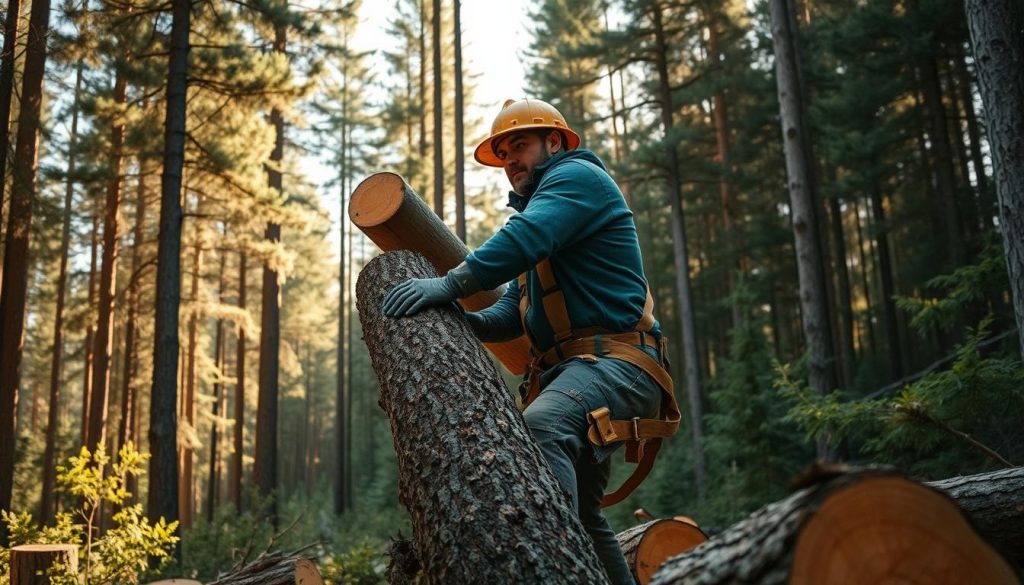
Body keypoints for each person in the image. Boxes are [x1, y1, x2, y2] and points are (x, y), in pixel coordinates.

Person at [382, 98, 678, 585]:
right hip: (582, 373)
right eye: (503, 155)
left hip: (618, 366)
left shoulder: (577, 180)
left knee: (540, 429)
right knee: (584, 516)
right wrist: (462, 322)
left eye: (519, 146)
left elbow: (521, 239)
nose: (510, 162)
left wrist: (448, 284)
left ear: (554, 142)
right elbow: (511, 311)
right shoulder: (547, 215)